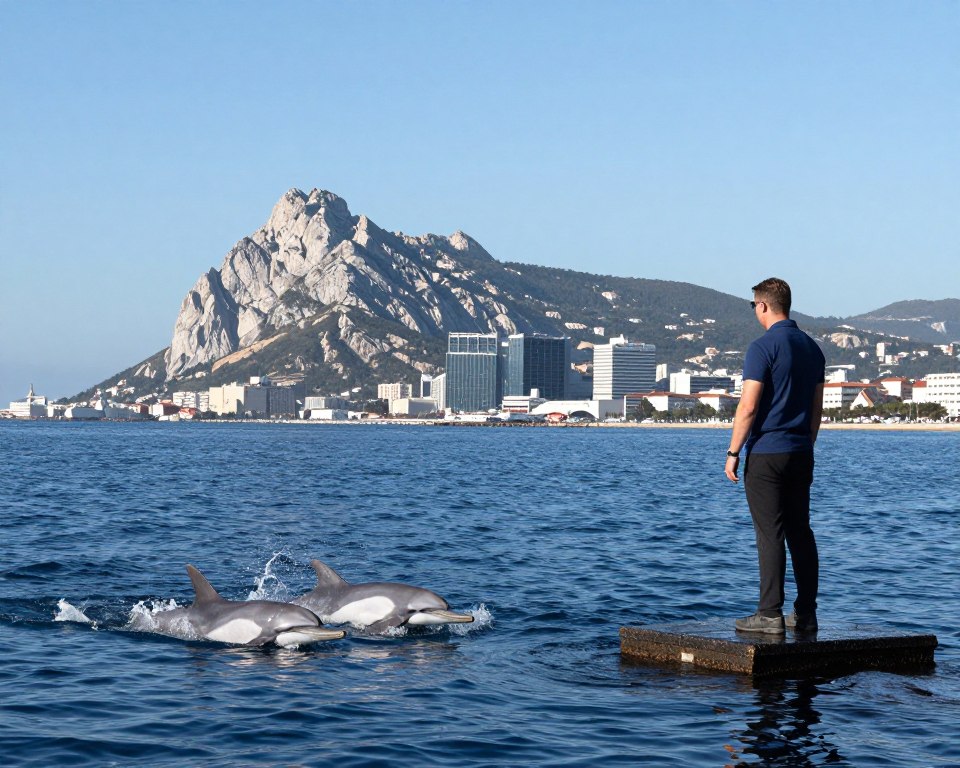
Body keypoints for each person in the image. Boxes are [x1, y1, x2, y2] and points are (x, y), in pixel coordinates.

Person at [725, 278, 825, 634]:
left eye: (754, 306)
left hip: (767, 453)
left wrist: (733, 451)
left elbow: (748, 407)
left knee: (770, 532)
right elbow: (816, 410)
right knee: (801, 531)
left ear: (763, 306)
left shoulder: (762, 347)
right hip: (801, 451)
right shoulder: (813, 349)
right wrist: (806, 446)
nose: (755, 312)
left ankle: (769, 614)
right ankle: (806, 613)